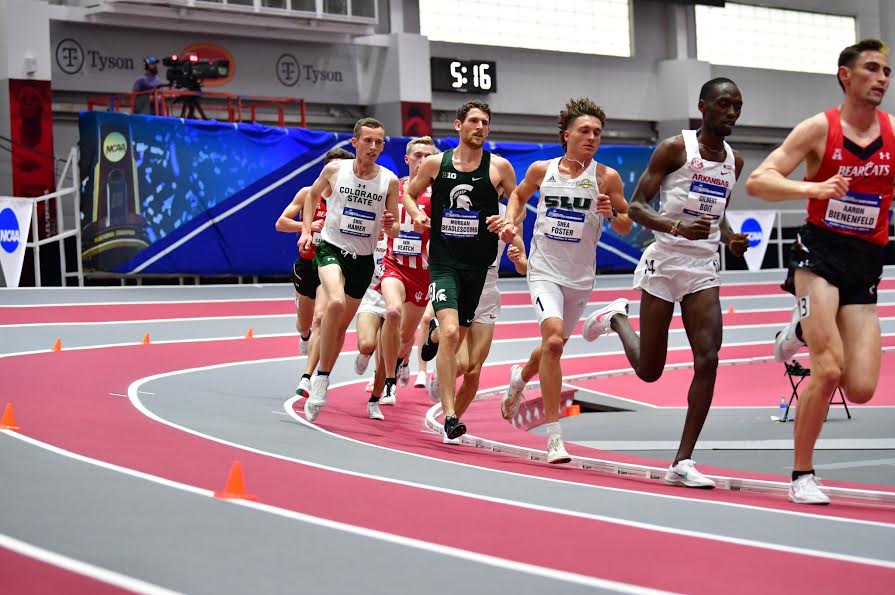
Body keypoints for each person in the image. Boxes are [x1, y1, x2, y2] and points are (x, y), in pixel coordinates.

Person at [745, 39, 893, 505]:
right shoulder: (818, 129)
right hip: (819, 254)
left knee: (863, 387)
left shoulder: (892, 134)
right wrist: (816, 186)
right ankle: (802, 474)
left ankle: (799, 327)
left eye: (887, 71)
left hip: (866, 261)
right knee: (827, 370)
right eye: (872, 68)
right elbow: (759, 180)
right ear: (846, 76)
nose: (883, 78)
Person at [580, 78, 749, 485]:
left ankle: (683, 461)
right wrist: (676, 226)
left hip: (703, 267)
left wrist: (729, 238)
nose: (731, 112)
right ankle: (617, 319)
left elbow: (717, 209)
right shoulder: (675, 148)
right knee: (649, 371)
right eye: (723, 104)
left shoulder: (734, 161)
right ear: (703, 105)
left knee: (708, 358)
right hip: (665, 260)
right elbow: (636, 207)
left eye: (737, 106)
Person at [499, 98, 633, 463]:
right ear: (567, 135)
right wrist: (512, 223)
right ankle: (555, 438)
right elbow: (517, 195)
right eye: (585, 131)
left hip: (580, 278)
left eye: (597, 133)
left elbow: (625, 224)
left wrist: (613, 215)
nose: (592, 137)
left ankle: (519, 378)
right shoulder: (543, 170)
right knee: (554, 341)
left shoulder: (606, 177)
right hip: (544, 271)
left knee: (551, 348)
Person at [403, 100, 517, 440]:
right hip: (444, 261)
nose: (479, 127)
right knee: (453, 333)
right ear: (458, 126)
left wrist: (508, 220)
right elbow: (409, 193)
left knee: (454, 337)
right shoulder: (437, 164)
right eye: (473, 121)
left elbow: (518, 199)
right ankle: (450, 417)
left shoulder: (499, 167)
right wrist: (418, 215)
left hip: (478, 266)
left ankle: (433, 337)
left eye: (485, 122)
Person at [299, 118, 399, 421]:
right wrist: (306, 231)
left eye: (379, 142)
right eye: (367, 141)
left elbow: (393, 231)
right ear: (354, 142)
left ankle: (323, 371)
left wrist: (389, 226)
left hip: (363, 259)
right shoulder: (334, 170)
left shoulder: (389, 181)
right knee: (336, 301)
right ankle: (321, 379)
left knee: (341, 325)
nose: (373, 147)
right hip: (331, 249)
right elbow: (312, 196)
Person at [424, 201, 528, 444]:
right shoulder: (460, 207)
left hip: (488, 296)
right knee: (459, 364)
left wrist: (517, 259)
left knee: (473, 370)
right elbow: (432, 246)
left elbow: (523, 265)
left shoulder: (510, 213)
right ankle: (436, 339)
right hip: (462, 290)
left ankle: (451, 425)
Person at [276, 147, 354, 399]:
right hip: (306, 264)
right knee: (305, 322)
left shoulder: (350, 198)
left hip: (330, 264)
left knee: (322, 317)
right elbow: (281, 223)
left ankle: (307, 378)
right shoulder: (308, 194)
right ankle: (304, 333)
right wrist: (307, 226)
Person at [377, 136, 439, 405]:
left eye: (428, 155)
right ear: (407, 159)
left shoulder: (440, 192)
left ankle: (400, 360)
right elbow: (383, 224)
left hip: (422, 274)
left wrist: (427, 228)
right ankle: (387, 382)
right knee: (392, 313)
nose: (422, 160)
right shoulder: (395, 187)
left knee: (404, 338)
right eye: (418, 155)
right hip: (394, 265)